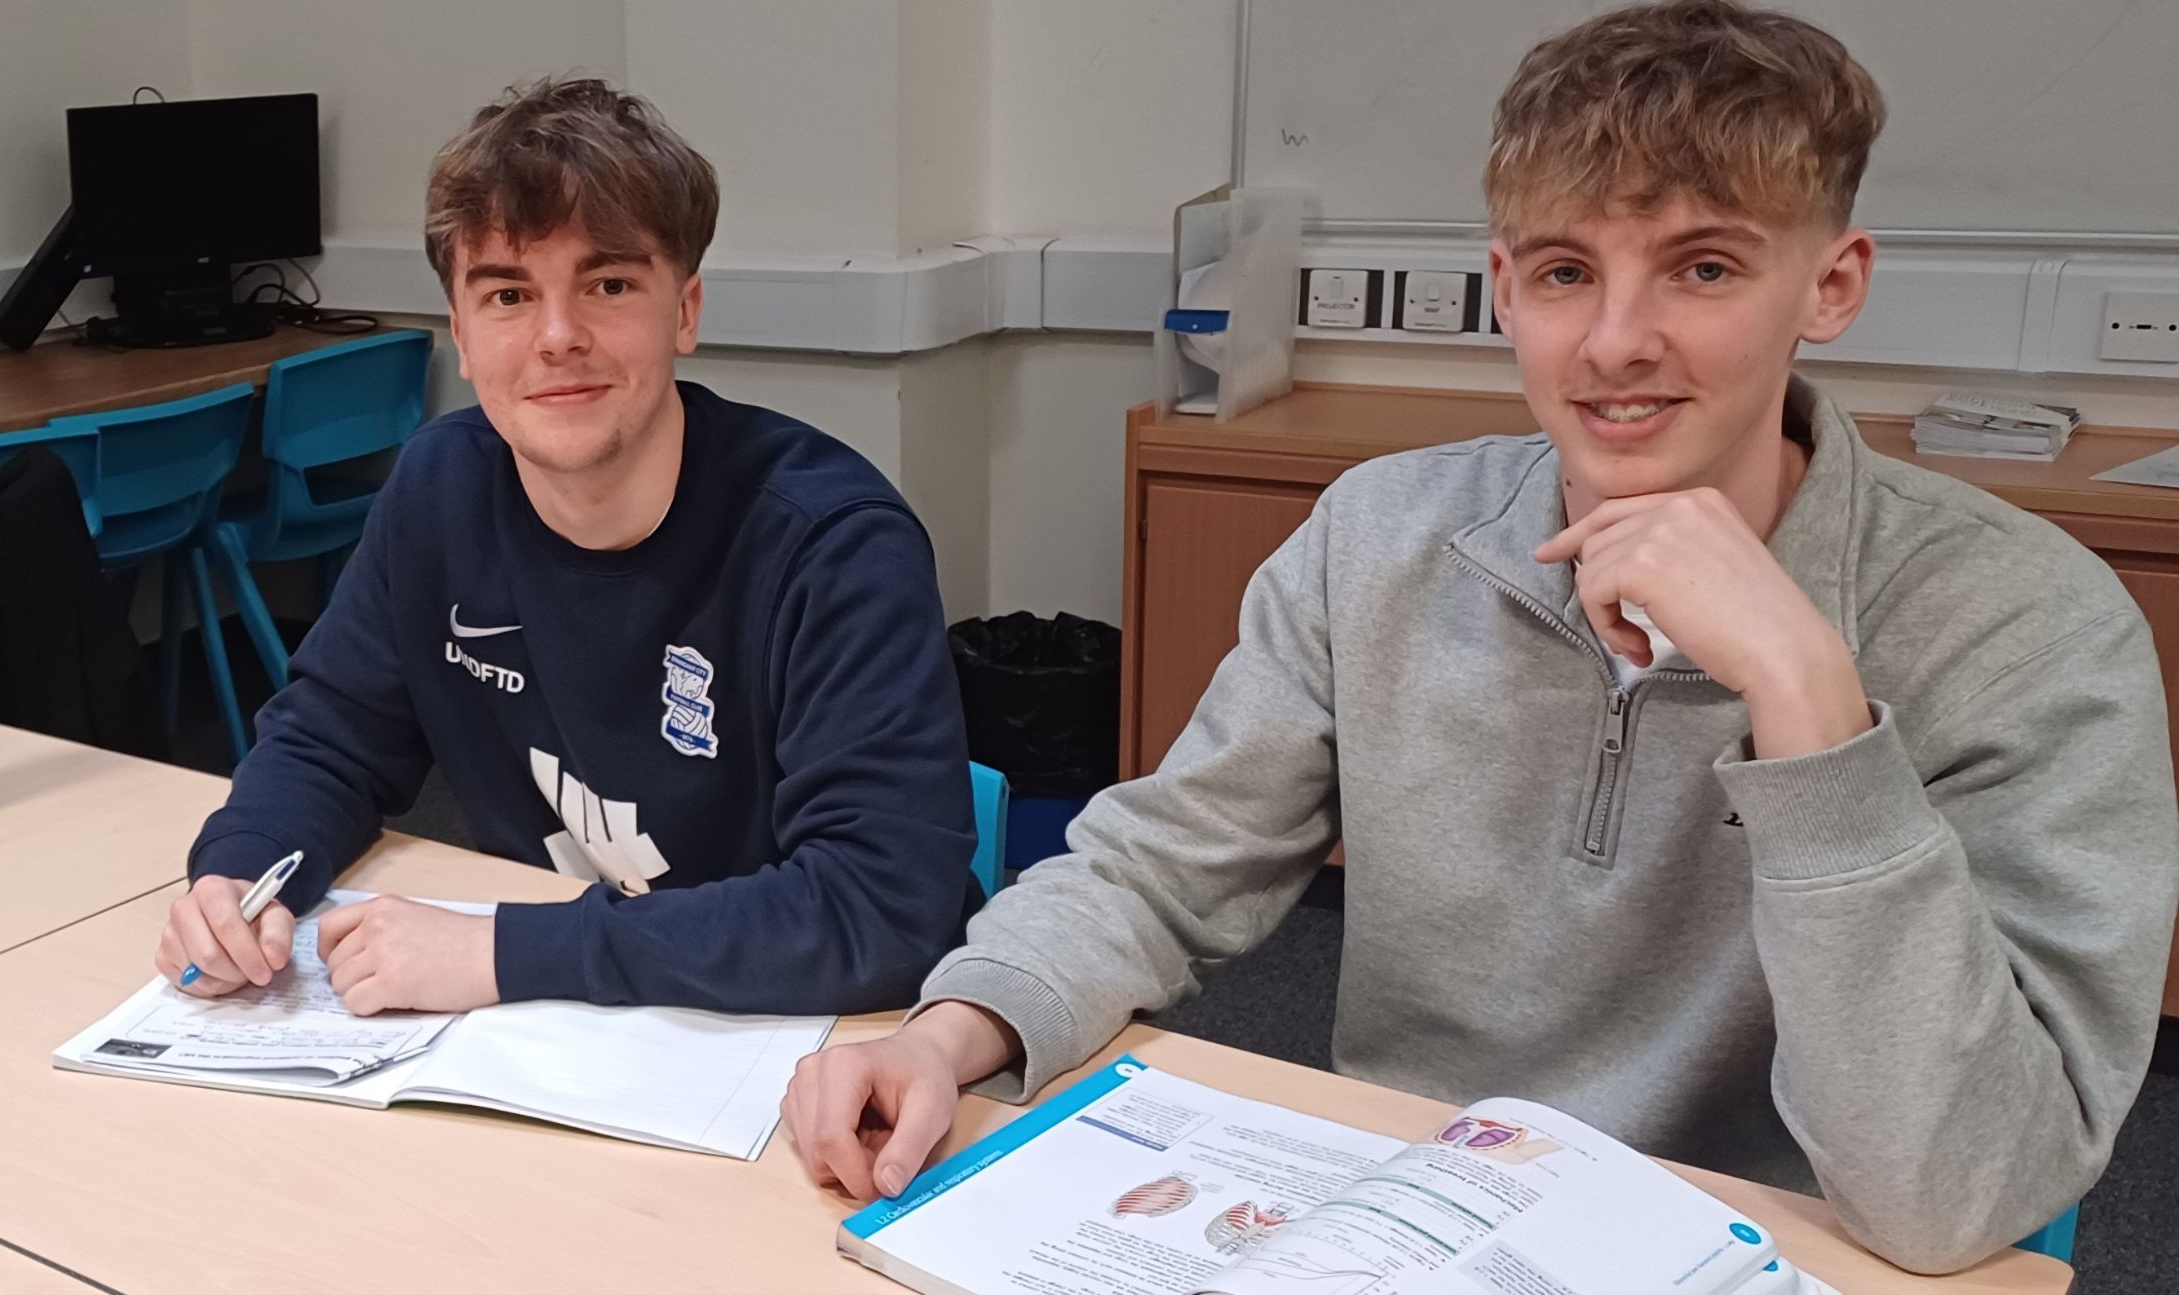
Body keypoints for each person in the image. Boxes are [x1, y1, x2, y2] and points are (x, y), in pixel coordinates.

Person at [782, 0, 2177, 1273]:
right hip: (1406, 1222)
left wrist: (1809, 696)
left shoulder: (2024, 621)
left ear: (1832, 284)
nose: (1616, 340)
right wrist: (954, 1027)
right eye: (1568, 272)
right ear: (1504, 287)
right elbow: (1163, 863)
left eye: (1701, 267)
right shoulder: (1376, 533)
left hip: (1772, 1243)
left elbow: (1952, 1192)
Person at [154, 78, 975, 1019]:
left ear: (685, 311)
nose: (556, 337)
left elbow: (878, 911)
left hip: (821, 1040)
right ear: (460, 334)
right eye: (507, 293)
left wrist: (503, 952)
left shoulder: (832, 546)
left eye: (609, 284)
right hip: (578, 1028)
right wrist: (238, 872)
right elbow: (328, 740)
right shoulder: (439, 490)